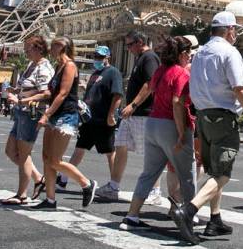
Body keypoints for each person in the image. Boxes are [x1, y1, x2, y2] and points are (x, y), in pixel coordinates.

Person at [172, 11, 243, 244]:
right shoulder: (229, 52)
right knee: (222, 173)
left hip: (202, 117)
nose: (235, 33)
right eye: (234, 29)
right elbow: (241, 89)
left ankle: (215, 220)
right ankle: (190, 210)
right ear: (229, 30)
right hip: (223, 117)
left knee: (214, 168)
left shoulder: (200, 53)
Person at [121, 36, 196, 230]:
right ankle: (188, 215)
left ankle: (132, 216)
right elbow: (178, 102)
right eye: (187, 53)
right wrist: (181, 133)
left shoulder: (161, 70)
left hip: (152, 123)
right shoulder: (181, 73)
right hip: (170, 124)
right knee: (186, 173)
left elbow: (149, 89)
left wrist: (134, 104)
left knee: (148, 173)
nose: (189, 56)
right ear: (181, 54)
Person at [33, 37, 97, 210]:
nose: (50, 48)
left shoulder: (69, 66)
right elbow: (51, 92)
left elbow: (62, 94)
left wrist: (46, 114)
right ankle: (50, 199)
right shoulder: (58, 66)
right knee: (47, 158)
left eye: (53, 45)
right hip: (55, 116)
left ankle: (87, 184)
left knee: (55, 160)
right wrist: (29, 96)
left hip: (66, 116)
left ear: (62, 47)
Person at [61, 45, 123, 196]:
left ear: (108, 57)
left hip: (102, 119)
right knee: (79, 149)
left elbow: (117, 95)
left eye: (101, 57)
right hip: (89, 118)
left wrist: (111, 115)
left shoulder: (113, 72)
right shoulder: (96, 73)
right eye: (96, 56)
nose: (97, 59)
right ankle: (62, 179)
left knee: (110, 151)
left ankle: (114, 185)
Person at [1, 34, 54, 205]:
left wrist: (21, 99)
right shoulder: (32, 65)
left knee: (24, 154)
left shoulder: (44, 68)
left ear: (38, 48)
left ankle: (21, 194)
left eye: (27, 49)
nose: (25, 53)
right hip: (21, 112)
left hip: (31, 113)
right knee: (10, 150)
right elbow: (28, 88)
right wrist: (15, 91)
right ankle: (39, 178)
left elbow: (46, 93)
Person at [111, 31, 161, 203]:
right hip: (132, 114)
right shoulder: (140, 58)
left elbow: (150, 83)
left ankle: (155, 191)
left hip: (143, 113)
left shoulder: (149, 58)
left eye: (130, 44)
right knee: (120, 146)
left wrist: (133, 105)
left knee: (149, 153)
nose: (128, 48)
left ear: (140, 42)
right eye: (126, 45)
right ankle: (113, 185)